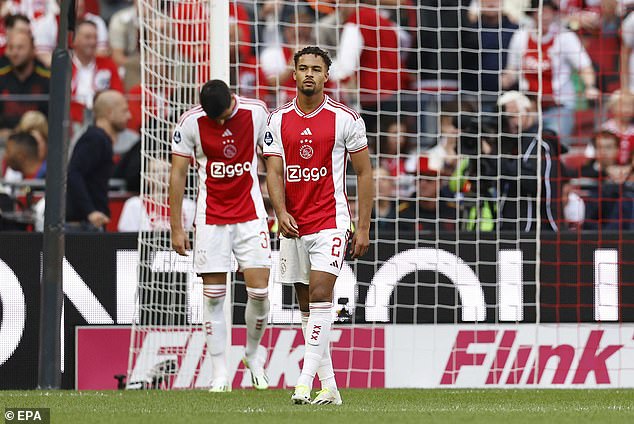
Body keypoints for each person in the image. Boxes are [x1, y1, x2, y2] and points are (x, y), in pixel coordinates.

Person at [264, 46, 373, 405]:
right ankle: (331, 389)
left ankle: (303, 381)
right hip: (294, 224)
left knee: (321, 294)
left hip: (331, 220)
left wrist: (363, 226)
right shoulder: (278, 120)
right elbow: (274, 170)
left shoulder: (346, 119)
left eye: (316, 69)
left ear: (327, 76)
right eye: (303, 68)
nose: (309, 74)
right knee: (306, 307)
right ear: (293, 74)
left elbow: (364, 172)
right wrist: (280, 212)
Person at [169, 79, 272, 392]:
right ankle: (219, 374)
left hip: (251, 215)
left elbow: (273, 160)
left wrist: (281, 207)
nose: (221, 123)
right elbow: (177, 174)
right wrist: (176, 226)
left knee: (259, 293)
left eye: (225, 115)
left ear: (233, 100)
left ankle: (252, 354)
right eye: (216, 120)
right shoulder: (189, 123)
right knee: (214, 298)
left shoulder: (256, 112)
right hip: (211, 218)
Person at [66, 90, 130, 230]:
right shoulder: (95, 139)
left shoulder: (100, 139)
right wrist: (90, 211)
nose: (129, 116)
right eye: (124, 111)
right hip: (83, 225)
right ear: (109, 112)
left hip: (89, 222)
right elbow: (74, 173)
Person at [0, 31, 50, 141]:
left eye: (20, 48)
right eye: (11, 48)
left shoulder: (47, 80)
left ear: (33, 50)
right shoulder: (1, 78)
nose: (15, 52)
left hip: (38, 142)